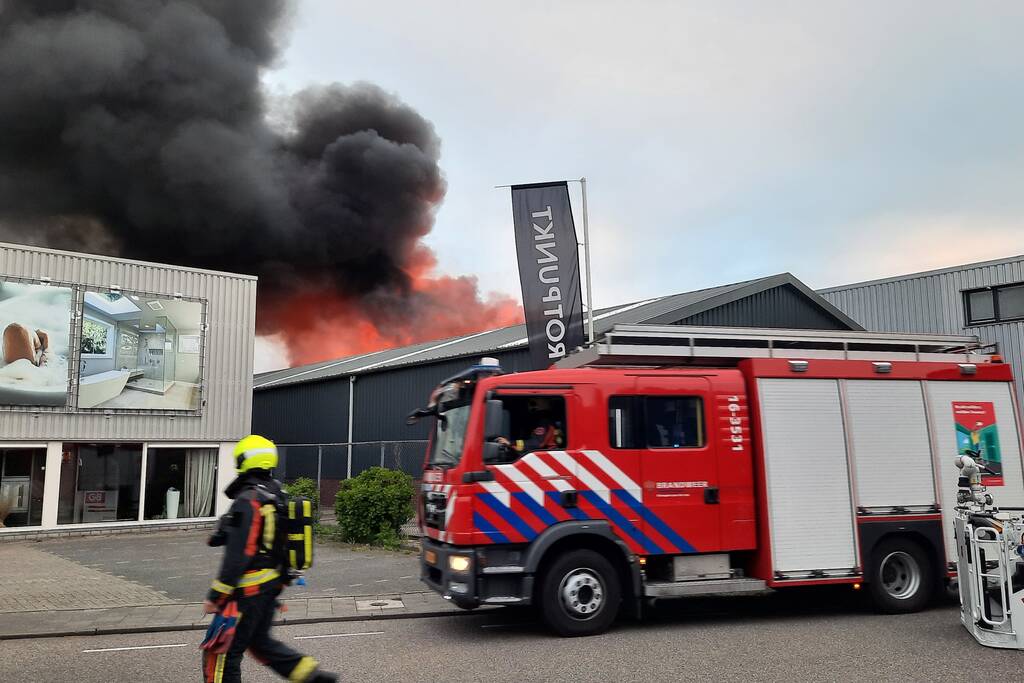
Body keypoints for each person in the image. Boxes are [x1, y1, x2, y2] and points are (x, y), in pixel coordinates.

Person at [202, 435, 336, 683]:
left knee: (221, 653)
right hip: (269, 588)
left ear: (243, 460)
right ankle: (315, 678)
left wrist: (215, 596)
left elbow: (239, 554)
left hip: (246, 593)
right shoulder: (277, 496)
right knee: (262, 644)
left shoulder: (249, 500)